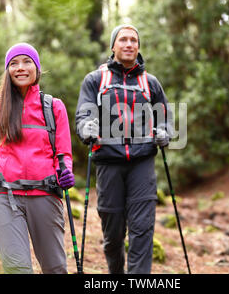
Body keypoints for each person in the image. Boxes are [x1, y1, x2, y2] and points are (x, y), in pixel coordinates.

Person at [0, 42, 75, 274]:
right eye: (14, 63)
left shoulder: (53, 107)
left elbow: (63, 154)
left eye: (27, 62)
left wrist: (65, 171)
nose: (21, 67)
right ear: (7, 70)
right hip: (6, 196)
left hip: (45, 195)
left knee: (55, 268)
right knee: (17, 268)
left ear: (37, 68)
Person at [75, 24, 172, 274]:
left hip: (142, 162)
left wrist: (164, 132)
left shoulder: (150, 82)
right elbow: (84, 111)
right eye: (123, 40)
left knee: (142, 229)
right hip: (108, 162)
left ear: (138, 47)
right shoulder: (96, 80)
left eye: (133, 40)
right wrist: (87, 127)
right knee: (113, 234)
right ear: (113, 46)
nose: (129, 44)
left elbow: (164, 116)